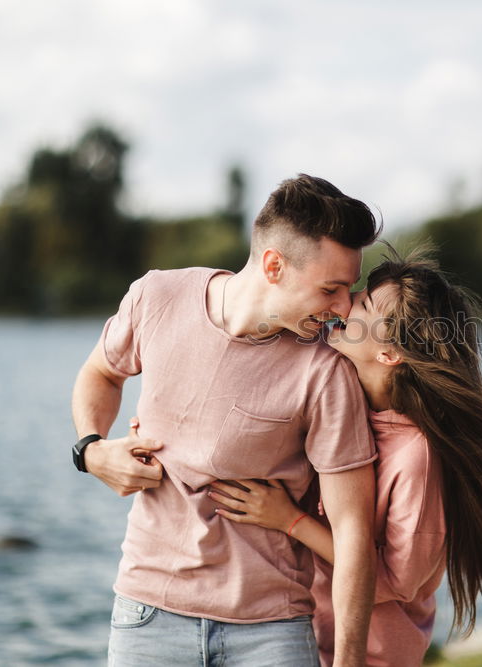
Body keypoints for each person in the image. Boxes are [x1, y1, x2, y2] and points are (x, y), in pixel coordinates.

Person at [209, 247, 482, 666]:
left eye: (364, 303)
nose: (345, 302)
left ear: (390, 353)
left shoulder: (417, 457)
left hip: (375, 655)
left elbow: (394, 581)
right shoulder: (344, 408)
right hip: (301, 638)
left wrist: (289, 521)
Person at [69, 174, 381, 667]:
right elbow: (101, 373)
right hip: (146, 617)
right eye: (331, 289)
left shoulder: (326, 373)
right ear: (274, 266)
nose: (343, 308)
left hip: (271, 633)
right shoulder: (157, 297)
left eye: (348, 290)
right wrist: (92, 448)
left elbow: (354, 534)